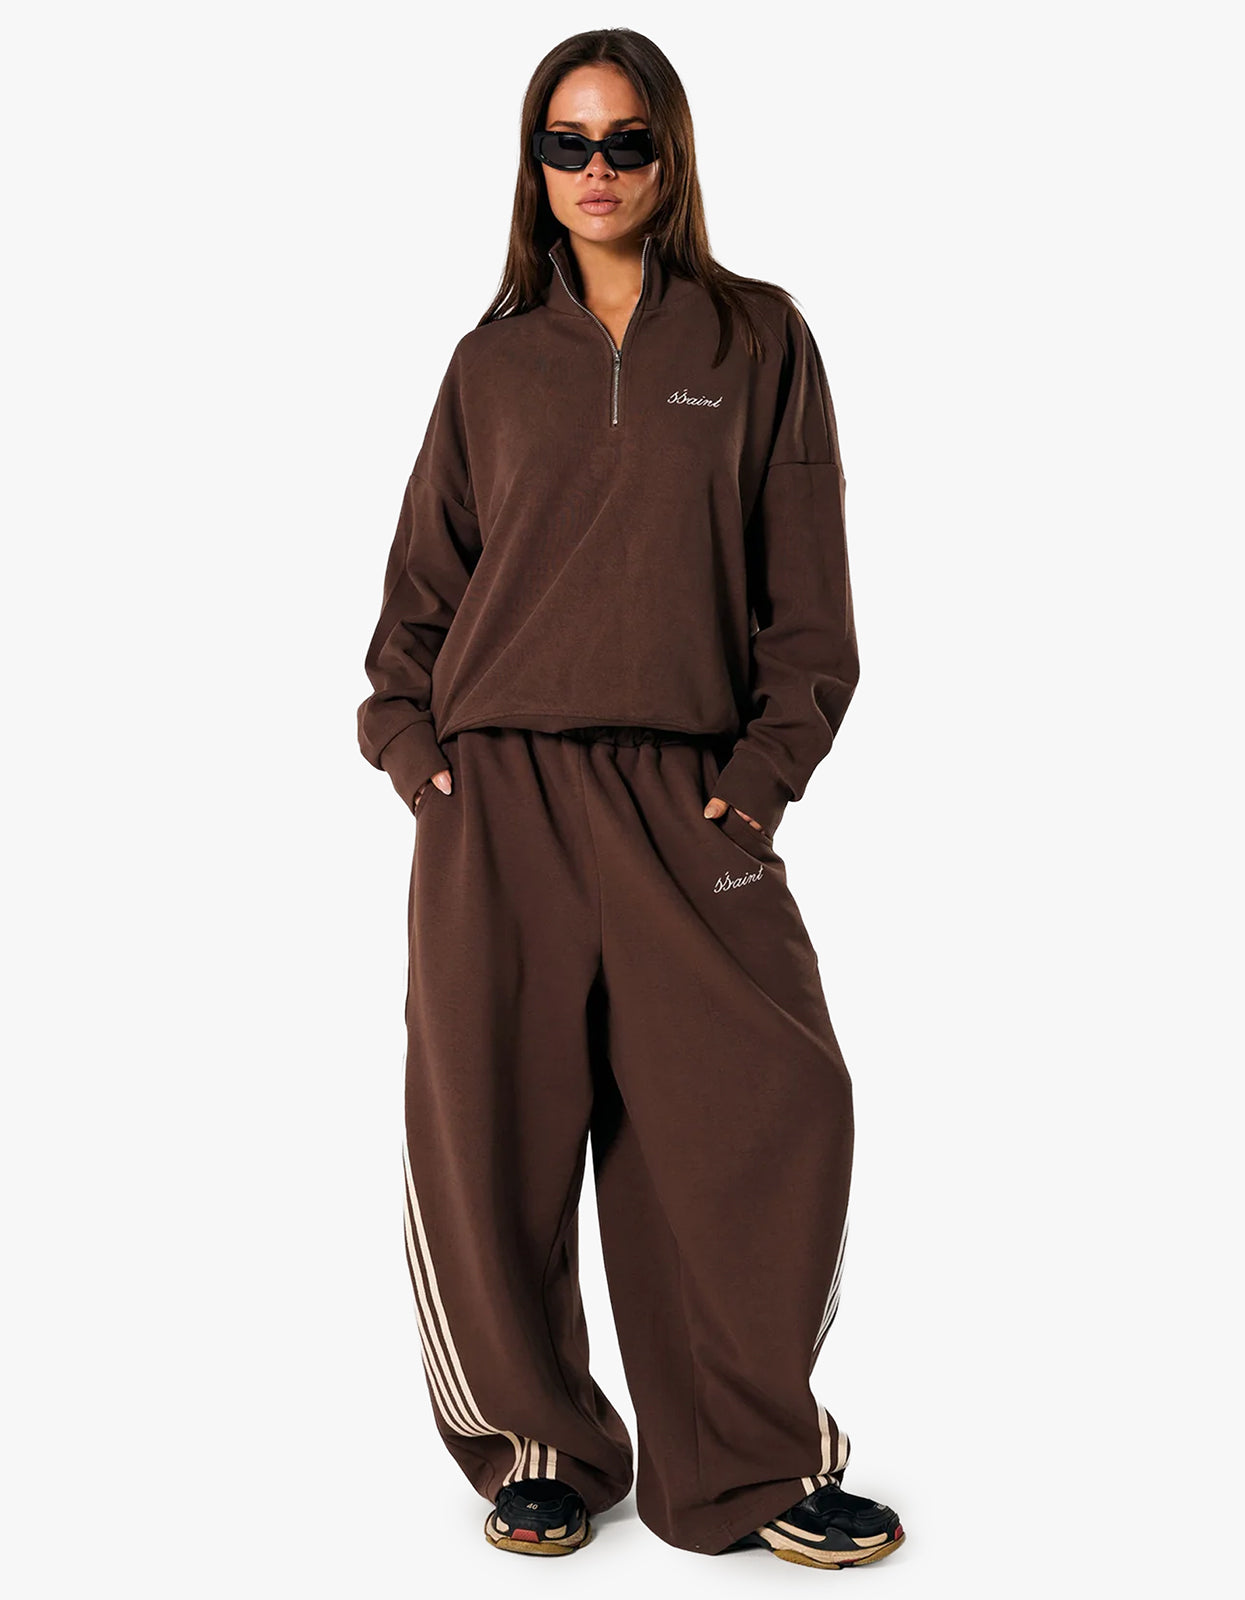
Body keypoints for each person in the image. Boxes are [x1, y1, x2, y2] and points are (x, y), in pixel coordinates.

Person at [356, 27, 905, 1570]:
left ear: (670, 155)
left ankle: (747, 1459)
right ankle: (537, 1451)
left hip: (686, 801)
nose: (594, 170)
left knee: (770, 1107)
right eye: (565, 142)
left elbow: (809, 605)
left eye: (624, 142)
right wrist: (417, 759)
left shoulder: (754, 339)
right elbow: (415, 606)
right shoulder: (489, 364)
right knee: (493, 1136)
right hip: (498, 800)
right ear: (532, 166)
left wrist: (756, 788)